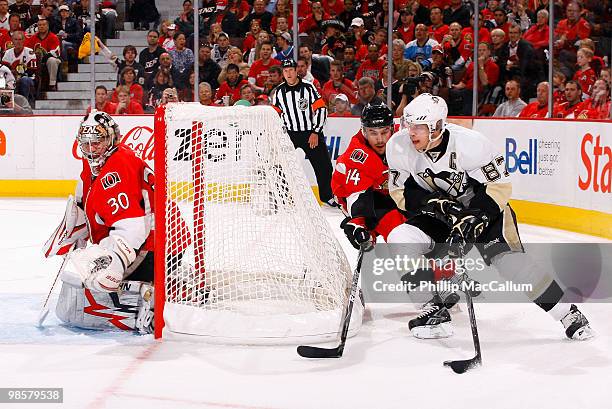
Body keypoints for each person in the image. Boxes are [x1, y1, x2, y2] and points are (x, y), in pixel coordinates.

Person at [386, 93, 593, 341]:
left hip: (486, 211)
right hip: (442, 214)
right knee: (400, 237)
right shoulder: (398, 146)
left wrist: (475, 217)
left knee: (511, 265)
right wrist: (433, 204)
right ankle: (432, 310)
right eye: (409, 125)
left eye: (419, 126)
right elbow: (399, 192)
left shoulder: (470, 144)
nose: (411, 132)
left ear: (437, 126)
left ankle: (567, 314)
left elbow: (499, 187)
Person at [43, 112, 179, 333]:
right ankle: (166, 282)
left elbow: (134, 227)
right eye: (85, 145)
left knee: (94, 270)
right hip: (159, 240)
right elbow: (86, 199)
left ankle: (159, 295)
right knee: (92, 265)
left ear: (112, 139)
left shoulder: (117, 168)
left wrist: (114, 262)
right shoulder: (98, 163)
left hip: (159, 245)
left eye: (97, 143)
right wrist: (77, 224)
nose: (91, 150)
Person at [332, 103, 407, 253]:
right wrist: (359, 222)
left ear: (393, 128)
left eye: (384, 132)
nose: (380, 139)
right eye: (373, 133)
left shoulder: (404, 139)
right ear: (364, 132)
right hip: (354, 196)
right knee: (396, 226)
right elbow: (357, 196)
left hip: (390, 193)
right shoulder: (358, 155)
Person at [271, 59, 337, 207]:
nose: (288, 73)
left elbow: (321, 109)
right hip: (289, 135)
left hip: (310, 133)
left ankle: (327, 196)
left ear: (296, 71)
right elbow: (275, 115)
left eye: (291, 70)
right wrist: (278, 134)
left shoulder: (308, 88)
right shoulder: (279, 92)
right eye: (285, 71)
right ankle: (283, 196)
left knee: (324, 166)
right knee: (280, 164)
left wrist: (315, 131)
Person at [25, 18, 61, 91]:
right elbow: (27, 50)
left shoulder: (53, 37)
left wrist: (42, 57)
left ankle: (52, 84)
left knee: (52, 60)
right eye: (40, 25)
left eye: (44, 25)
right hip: (35, 60)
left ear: (47, 26)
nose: (41, 26)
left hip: (50, 59)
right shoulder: (33, 37)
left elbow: (55, 52)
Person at [2, 30, 37, 106]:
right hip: (12, 78)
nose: (18, 42)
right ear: (12, 41)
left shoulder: (29, 52)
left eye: (20, 39)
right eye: (16, 39)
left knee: (24, 80)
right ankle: (6, 105)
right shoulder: (8, 53)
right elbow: (4, 70)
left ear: (24, 40)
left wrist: (19, 76)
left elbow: (32, 71)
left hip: (28, 78)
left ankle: (24, 105)